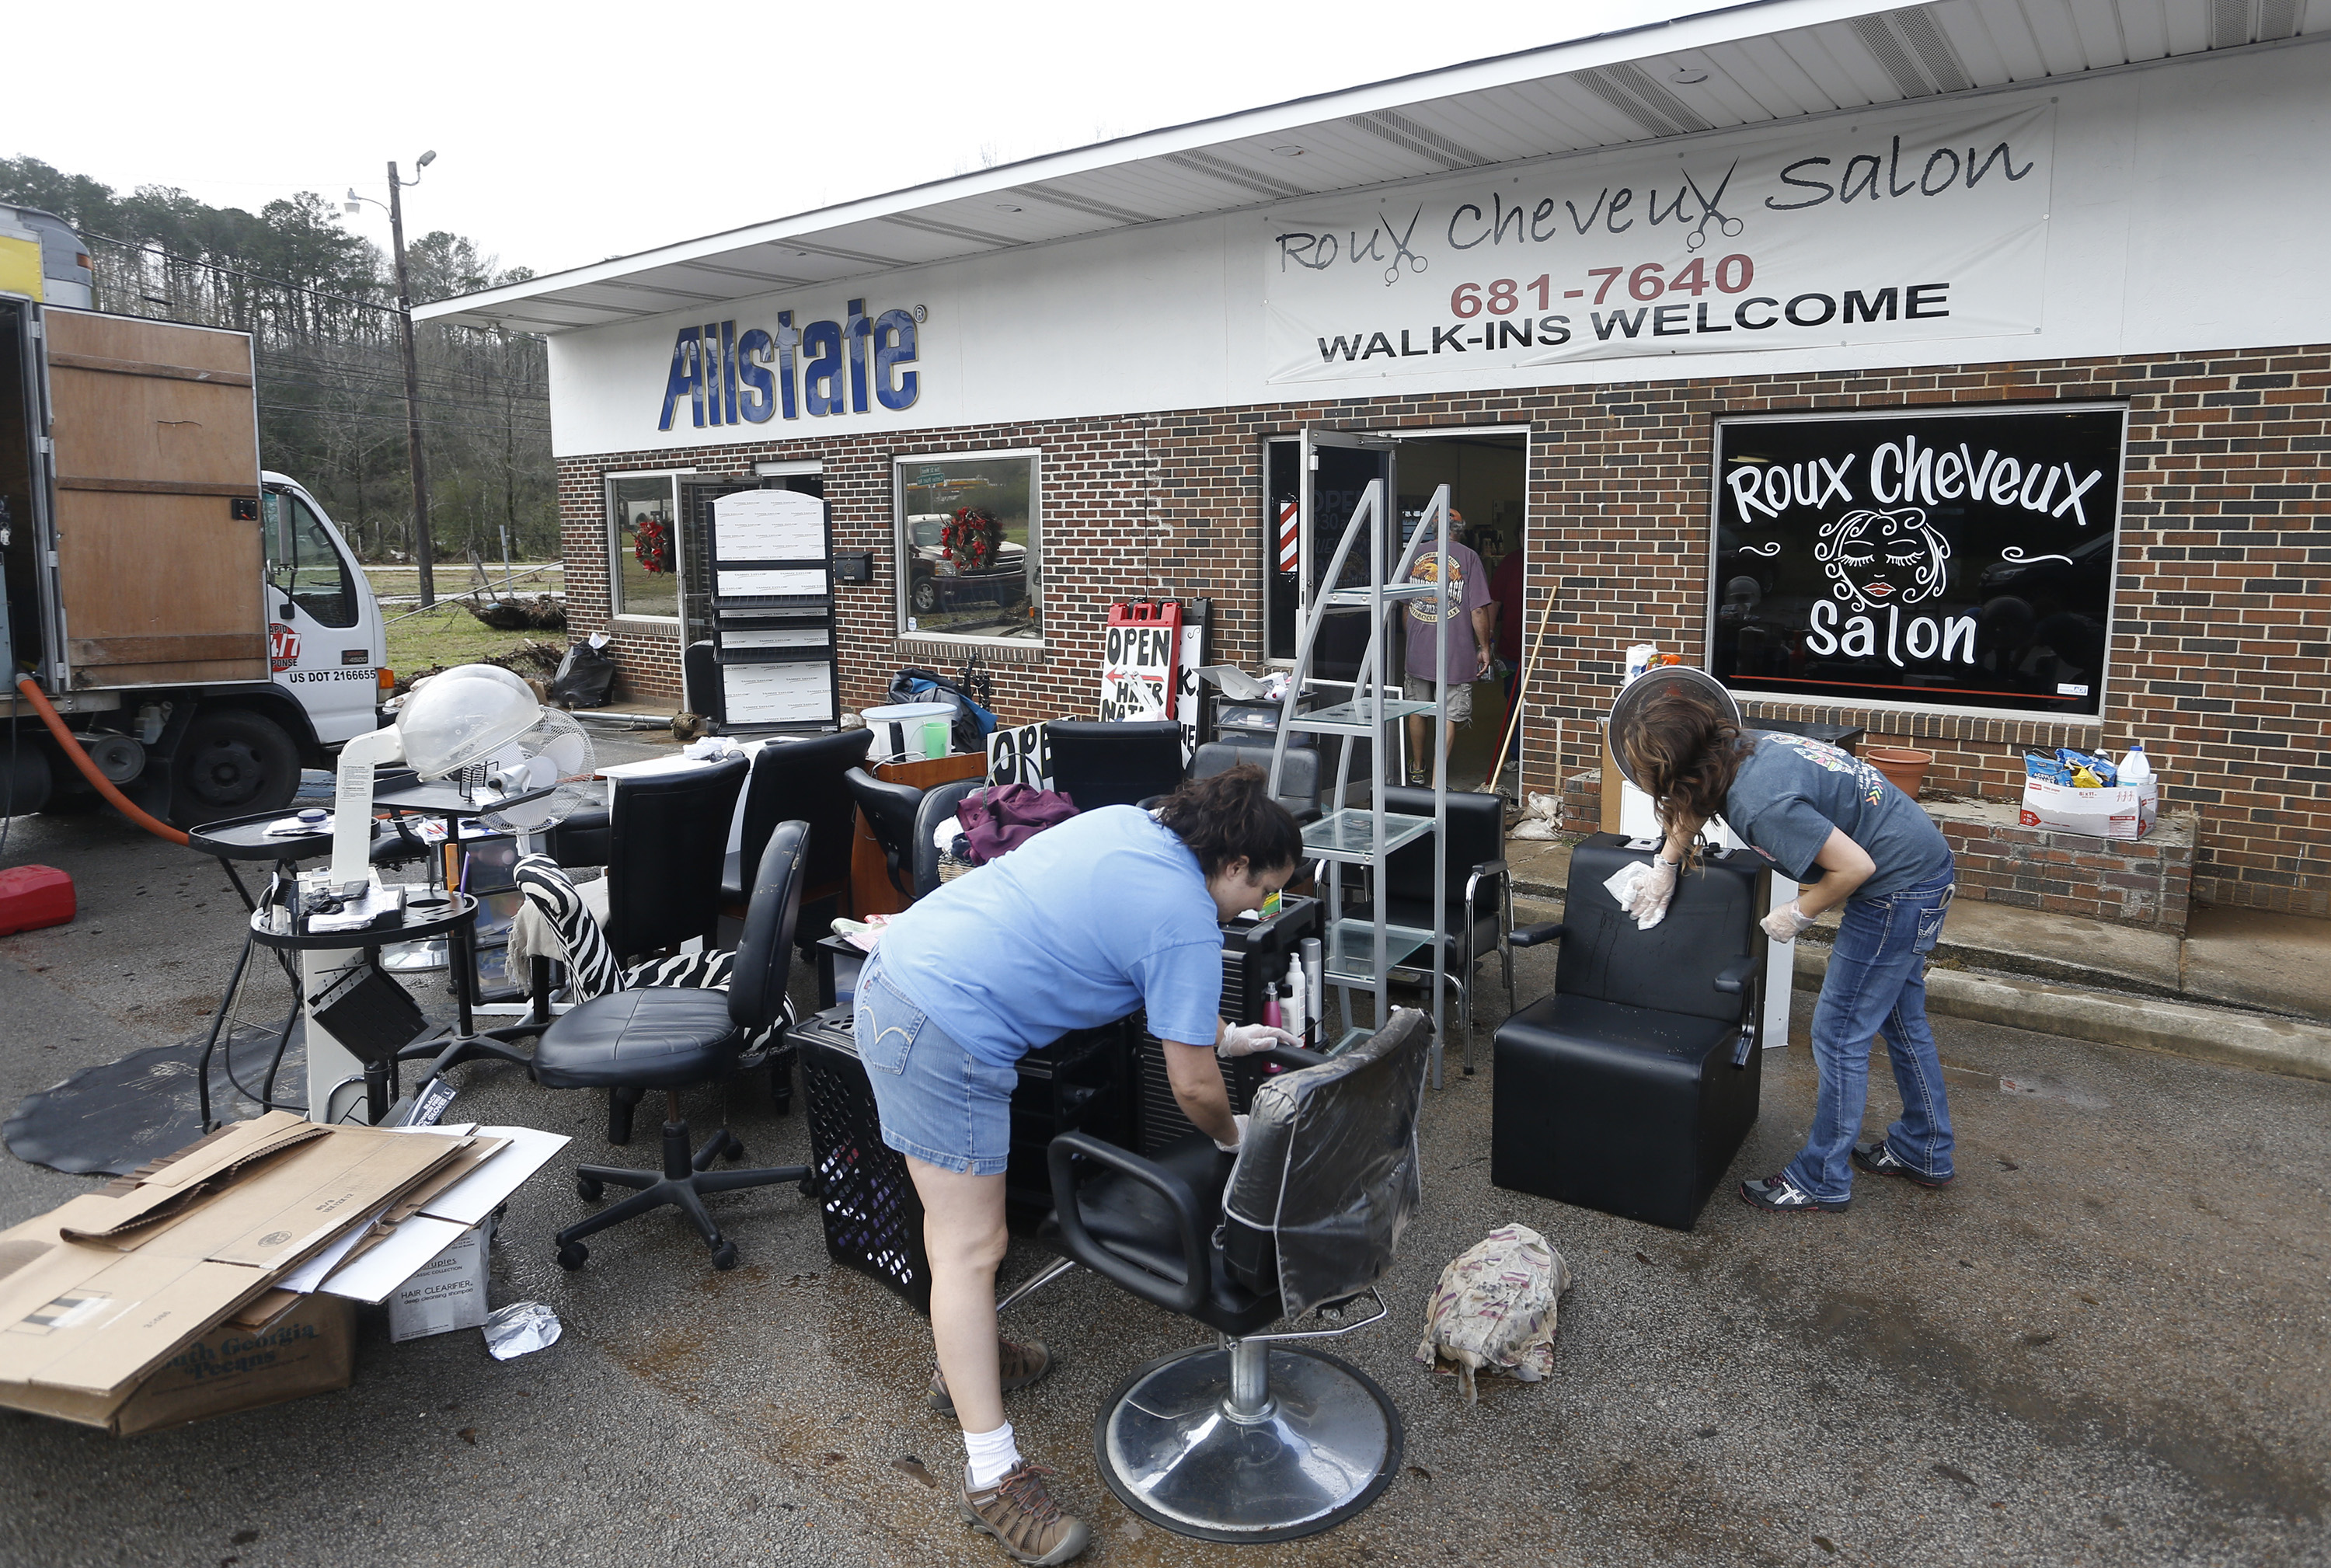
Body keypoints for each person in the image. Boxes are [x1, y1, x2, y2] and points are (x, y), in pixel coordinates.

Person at [852, 765, 1303, 1564]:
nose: (1259, 907)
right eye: (1263, 889)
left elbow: (1114, 949)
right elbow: (1193, 1086)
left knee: (960, 1241)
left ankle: (971, 1362)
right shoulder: (1188, 916)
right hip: (940, 1024)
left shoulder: (1133, 826)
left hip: (907, 975)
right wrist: (1239, 1140)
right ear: (1234, 865)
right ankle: (992, 1478)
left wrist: (1224, 1033)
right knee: (969, 1247)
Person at [1618, 688, 1957, 1214]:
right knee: (1901, 1019)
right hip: (1919, 868)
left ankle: (1821, 1178)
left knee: (1838, 1032)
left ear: (1672, 770)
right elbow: (1699, 797)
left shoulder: (1761, 802)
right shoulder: (1739, 747)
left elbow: (1855, 869)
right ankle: (1926, 1149)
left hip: (1897, 889)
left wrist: (1800, 911)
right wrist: (1666, 862)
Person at [1399, 510, 1493, 785]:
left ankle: (1417, 767)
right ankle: (1437, 781)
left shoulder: (1415, 554)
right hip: (1456, 651)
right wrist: (1484, 646)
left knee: (1417, 708)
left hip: (1418, 649)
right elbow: (1477, 609)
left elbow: (1406, 605)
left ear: (1433, 528)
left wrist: (1414, 638)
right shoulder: (1468, 557)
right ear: (1460, 529)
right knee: (1449, 714)